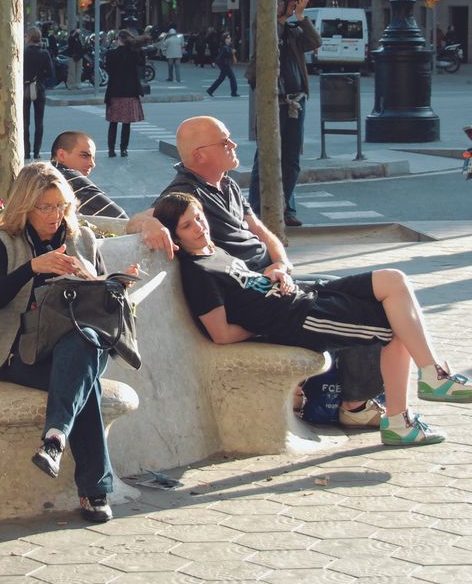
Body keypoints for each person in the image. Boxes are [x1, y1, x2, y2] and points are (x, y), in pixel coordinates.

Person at [153, 191, 472, 447]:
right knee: (394, 326)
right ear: (176, 237)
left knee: (394, 278)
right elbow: (221, 333)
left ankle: (431, 376)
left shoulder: (213, 251)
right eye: (187, 226)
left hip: (303, 294)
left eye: (198, 218)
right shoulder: (198, 274)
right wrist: (265, 321)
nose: (199, 227)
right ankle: (403, 418)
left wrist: (277, 272)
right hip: (298, 318)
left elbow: (250, 285)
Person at [129, 116, 387, 429]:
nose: (234, 145)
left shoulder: (227, 183)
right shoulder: (186, 193)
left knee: (353, 293)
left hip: (271, 280)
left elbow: (263, 233)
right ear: (200, 155)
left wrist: (281, 263)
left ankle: (338, 395)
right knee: (361, 311)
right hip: (254, 295)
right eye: (225, 142)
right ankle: (355, 404)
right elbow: (141, 218)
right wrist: (152, 223)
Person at [0, 162, 126, 523]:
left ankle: (55, 439)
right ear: (24, 206)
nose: (55, 216)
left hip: (80, 342)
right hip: (20, 352)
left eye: (61, 206)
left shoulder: (83, 240)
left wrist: (114, 287)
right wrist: (33, 268)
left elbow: (102, 304)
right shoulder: (4, 243)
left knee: (83, 343)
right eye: (45, 207)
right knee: (83, 386)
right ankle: (94, 491)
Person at [246, 0, 320, 228]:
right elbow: (268, 39)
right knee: (265, 155)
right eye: (284, 2)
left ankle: (286, 207)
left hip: (296, 100)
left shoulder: (292, 30)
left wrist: (300, 16)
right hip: (273, 100)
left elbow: (314, 41)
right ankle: (257, 210)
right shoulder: (266, 26)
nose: (287, 6)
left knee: (291, 158)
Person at [50, 131, 127, 220]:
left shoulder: (41, 174)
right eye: (85, 156)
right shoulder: (69, 178)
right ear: (62, 155)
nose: (92, 164)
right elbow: (120, 219)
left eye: (93, 158)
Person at [103, 29, 148, 158]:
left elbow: (108, 69)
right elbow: (141, 64)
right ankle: (124, 149)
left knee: (113, 122)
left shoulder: (111, 54)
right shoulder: (134, 53)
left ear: (118, 40)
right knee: (126, 123)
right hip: (130, 91)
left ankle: (111, 150)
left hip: (114, 91)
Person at [23, 27, 55, 160]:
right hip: (39, 88)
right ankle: (37, 151)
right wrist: (40, 79)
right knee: (39, 121)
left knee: (25, 122)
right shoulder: (44, 53)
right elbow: (51, 73)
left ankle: (26, 151)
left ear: (28, 38)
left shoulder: (23, 52)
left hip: (24, 88)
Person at [206, 33, 239, 98]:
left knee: (221, 78)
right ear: (225, 39)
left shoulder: (227, 46)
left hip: (223, 64)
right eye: (228, 38)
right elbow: (223, 53)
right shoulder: (224, 47)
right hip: (224, 64)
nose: (230, 39)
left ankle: (210, 90)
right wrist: (232, 51)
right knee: (232, 77)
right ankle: (234, 92)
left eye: (229, 38)